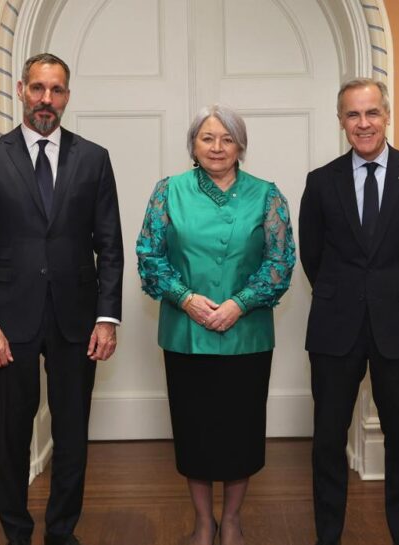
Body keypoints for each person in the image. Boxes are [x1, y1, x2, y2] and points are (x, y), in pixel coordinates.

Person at [0, 52, 123, 545]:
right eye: (38, 89)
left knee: (73, 432)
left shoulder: (94, 158)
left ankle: (61, 531)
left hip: (78, 319)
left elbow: (109, 246)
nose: (46, 100)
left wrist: (107, 317)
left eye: (56, 90)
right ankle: (15, 531)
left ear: (67, 96)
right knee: (11, 432)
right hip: (9, 323)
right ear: (21, 91)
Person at [136, 105, 295, 545]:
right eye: (208, 138)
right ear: (193, 145)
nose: (217, 147)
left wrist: (239, 304)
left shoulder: (268, 195)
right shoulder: (168, 191)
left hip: (247, 336)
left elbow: (280, 263)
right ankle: (204, 522)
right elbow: (150, 256)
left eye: (227, 138)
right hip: (186, 335)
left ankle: (233, 520)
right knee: (195, 432)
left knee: (241, 432)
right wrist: (185, 299)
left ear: (241, 145)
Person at [299, 78, 399, 545]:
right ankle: (328, 536)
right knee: (326, 440)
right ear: (341, 121)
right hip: (334, 327)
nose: (364, 124)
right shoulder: (321, 182)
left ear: (387, 115)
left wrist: (397, 291)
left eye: (372, 113)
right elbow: (312, 256)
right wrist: (345, 293)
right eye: (353, 115)